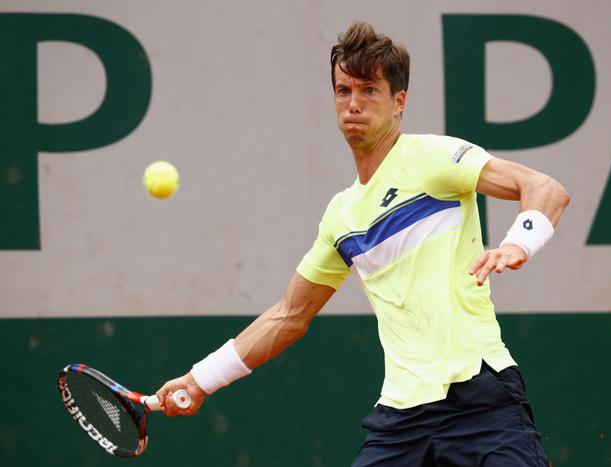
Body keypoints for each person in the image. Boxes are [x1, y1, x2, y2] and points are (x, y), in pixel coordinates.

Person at [155, 22, 568, 466]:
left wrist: (518, 244)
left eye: (369, 90)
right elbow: (289, 316)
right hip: (402, 417)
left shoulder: (432, 158)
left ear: (398, 102)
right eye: (343, 90)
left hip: (480, 398)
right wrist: (200, 380)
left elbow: (544, 188)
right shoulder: (342, 216)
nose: (353, 104)